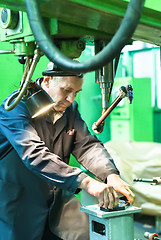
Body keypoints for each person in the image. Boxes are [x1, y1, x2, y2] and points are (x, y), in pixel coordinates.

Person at [0, 62, 135, 240]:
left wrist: (110, 175)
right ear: (48, 80)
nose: (71, 99)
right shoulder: (15, 107)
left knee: (88, 235)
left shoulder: (69, 109)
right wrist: (86, 182)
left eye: (76, 93)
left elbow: (86, 145)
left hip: (58, 201)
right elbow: (34, 154)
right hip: (19, 205)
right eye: (66, 90)